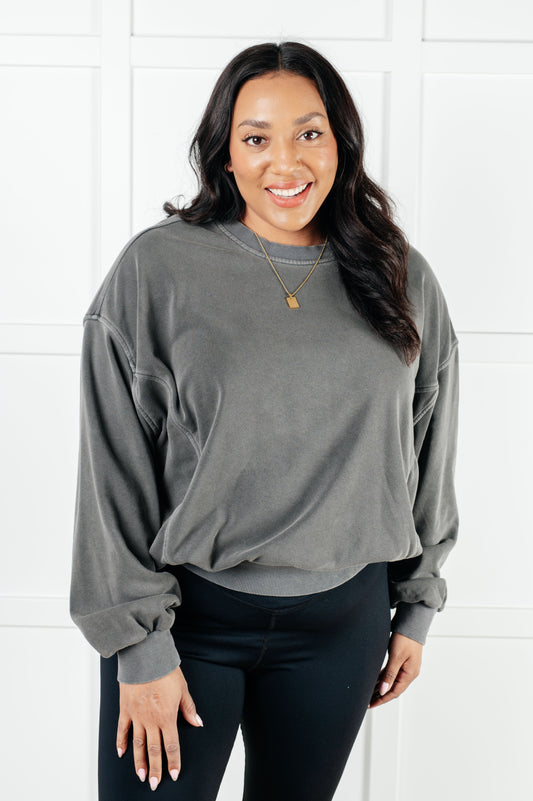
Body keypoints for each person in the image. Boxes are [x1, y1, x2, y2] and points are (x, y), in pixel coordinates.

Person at [70, 41, 459, 801]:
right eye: (256, 138)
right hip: (187, 623)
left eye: (310, 133)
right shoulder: (158, 270)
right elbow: (110, 468)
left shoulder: (401, 275)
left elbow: (427, 445)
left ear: (341, 143)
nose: (286, 161)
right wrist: (137, 645)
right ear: (225, 154)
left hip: (342, 626)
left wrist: (417, 604)